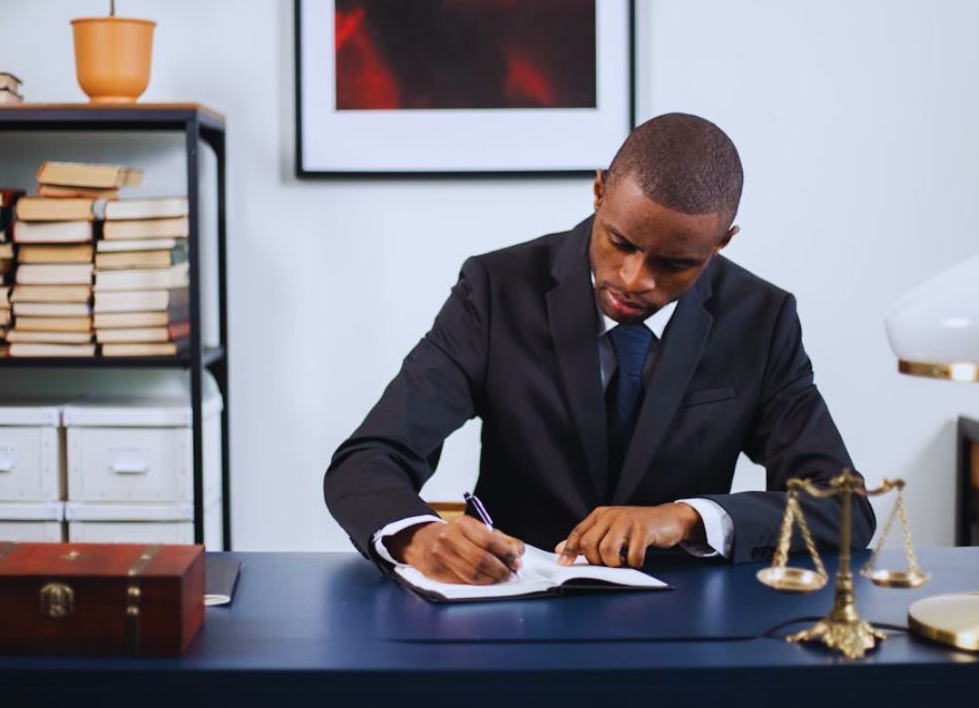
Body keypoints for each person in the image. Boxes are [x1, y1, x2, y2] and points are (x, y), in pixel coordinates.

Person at [325, 113, 874, 585]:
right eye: (621, 242)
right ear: (599, 191)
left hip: (684, 626)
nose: (635, 280)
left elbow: (843, 506)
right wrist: (418, 537)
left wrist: (684, 518)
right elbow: (369, 459)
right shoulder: (495, 290)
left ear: (722, 241)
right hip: (510, 610)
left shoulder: (761, 319)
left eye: (674, 264)